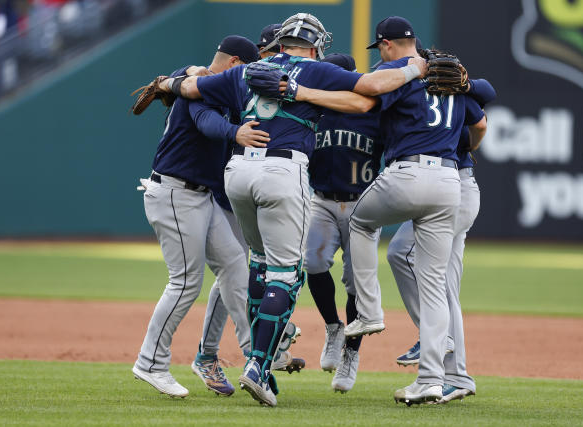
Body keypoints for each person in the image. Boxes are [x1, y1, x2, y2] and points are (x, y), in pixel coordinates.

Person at [153, 12, 428, 406]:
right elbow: (371, 90)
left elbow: (194, 89)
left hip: (238, 171)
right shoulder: (314, 69)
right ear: (315, 46)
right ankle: (258, 367)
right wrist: (413, 70)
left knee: (258, 264)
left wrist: (168, 81)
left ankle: (256, 358)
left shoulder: (249, 70)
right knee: (285, 274)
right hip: (282, 169)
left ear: (279, 43)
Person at [340, 16, 487, 405]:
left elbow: (364, 95)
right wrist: (468, 90)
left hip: (417, 174)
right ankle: (436, 378)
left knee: (360, 223)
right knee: (436, 284)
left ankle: (371, 312)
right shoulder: (449, 77)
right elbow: (483, 112)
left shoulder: (395, 72)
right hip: (451, 183)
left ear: (386, 45)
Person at [131, 35, 260, 398]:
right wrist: (235, 131)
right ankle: (150, 362)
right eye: (246, 69)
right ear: (236, 63)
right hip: (175, 192)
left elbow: (181, 78)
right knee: (186, 281)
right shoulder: (202, 87)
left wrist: (177, 76)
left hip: (199, 196)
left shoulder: (196, 80)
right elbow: (207, 124)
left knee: (235, 264)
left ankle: (257, 354)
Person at [387, 78, 496, 403]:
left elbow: (484, 103)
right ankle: (458, 375)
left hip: (455, 187)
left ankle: (435, 336)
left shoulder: (443, 90)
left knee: (401, 252)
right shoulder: (420, 91)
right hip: (454, 189)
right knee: (445, 286)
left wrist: (468, 82)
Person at [304, 53, 382, 393]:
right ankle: (334, 328)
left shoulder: (372, 112)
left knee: (355, 283)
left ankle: (351, 353)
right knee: (313, 261)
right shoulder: (314, 111)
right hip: (321, 199)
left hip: (362, 204)